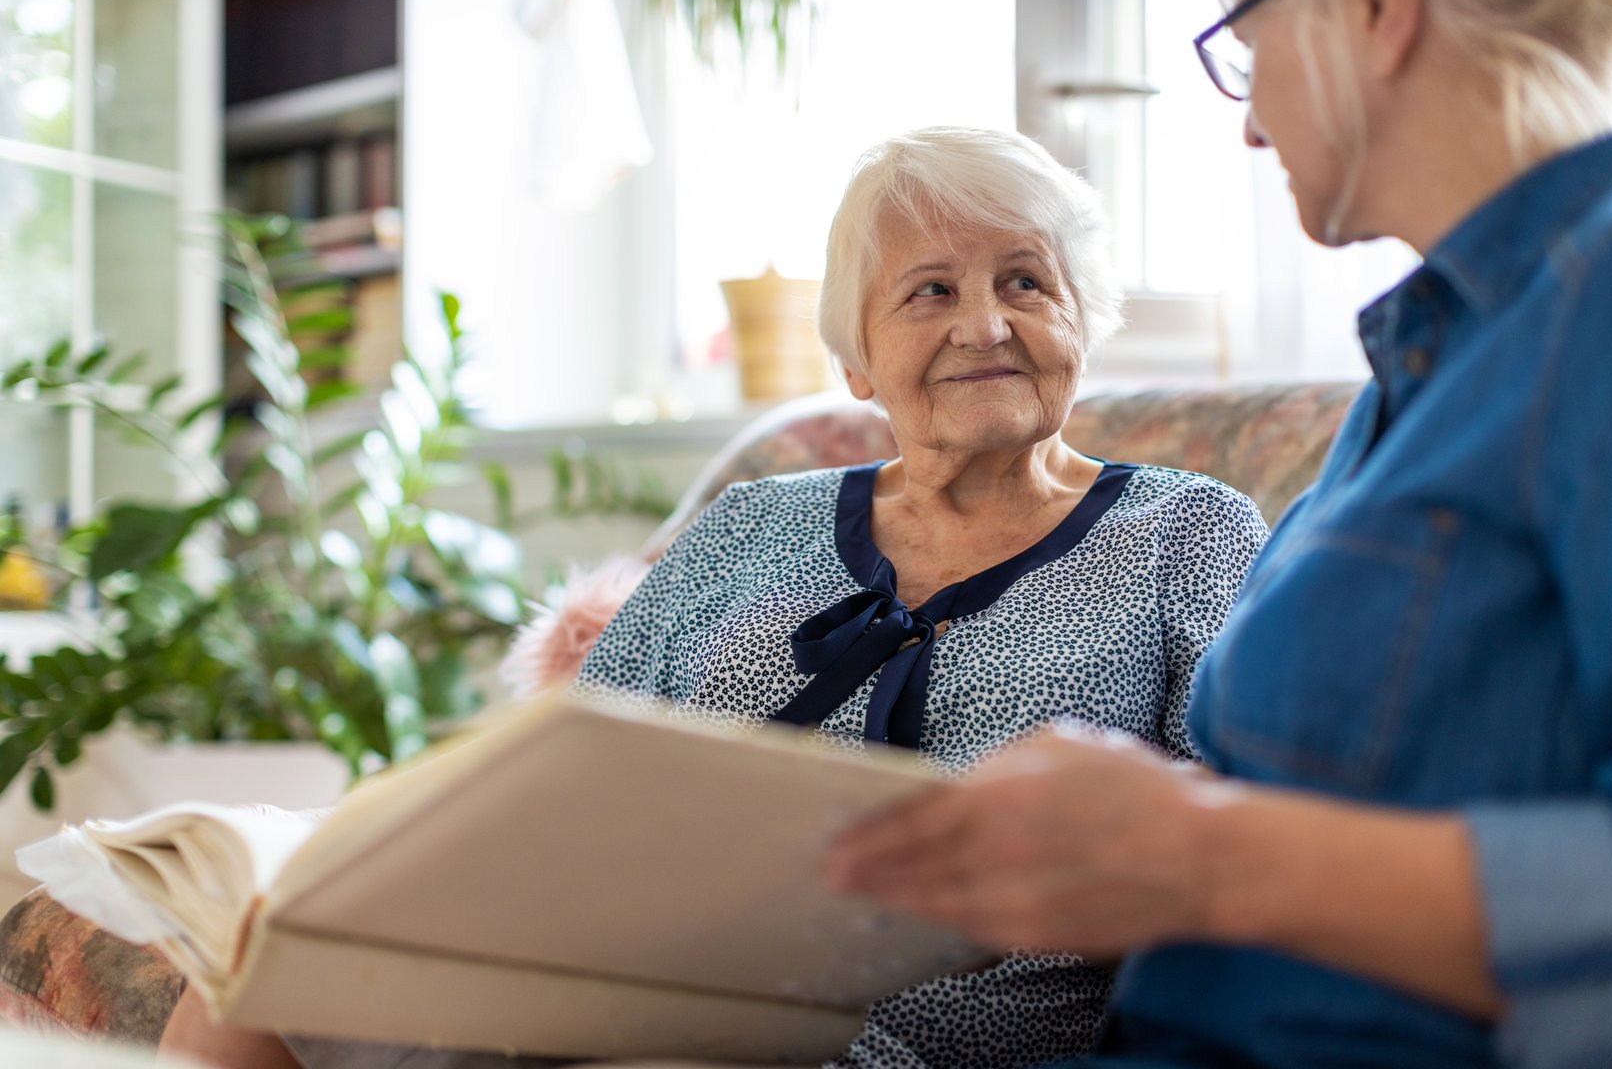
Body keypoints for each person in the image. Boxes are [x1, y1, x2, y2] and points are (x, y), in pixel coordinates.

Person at [159, 127, 1270, 1069]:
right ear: (857, 360)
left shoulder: (1187, 530)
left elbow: (1230, 843)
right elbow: (564, 771)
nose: (984, 324)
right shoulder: (752, 524)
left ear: (1083, 318)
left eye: (1025, 281)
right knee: (246, 983)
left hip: (921, 1039)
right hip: (628, 974)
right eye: (931, 291)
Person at [825, 0, 1612, 1068]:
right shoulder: (1428, 361)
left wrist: (1198, 853)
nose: (1250, 125)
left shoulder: (1596, 307)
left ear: (1377, 11)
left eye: (1246, 50)